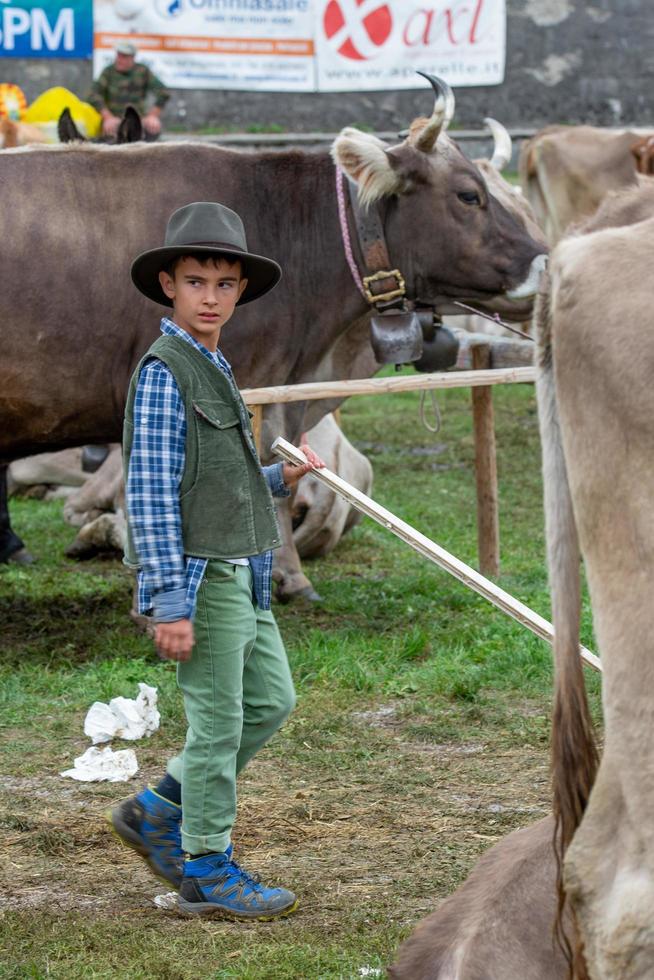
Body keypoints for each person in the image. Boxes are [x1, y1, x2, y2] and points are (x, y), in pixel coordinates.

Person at [110, 201, 324, 920]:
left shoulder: (214, 362)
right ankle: (205, 867)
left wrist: (275, 480)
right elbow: (150, 494)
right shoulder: (166, 372)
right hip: (200, 577)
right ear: (168, 283)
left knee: (271, 701)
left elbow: (213, 478)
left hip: (243, 567)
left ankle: (157, 807)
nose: (211, 296)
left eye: (224, 284)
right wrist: (167, 600)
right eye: (196, 281)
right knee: (218, 725)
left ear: (240, 291)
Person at [87, 42, 169, 139]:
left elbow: (163, 92)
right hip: (114, 120)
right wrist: (108, 117)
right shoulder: (108, 72)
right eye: (118, 56)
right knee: (110, 134)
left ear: (132, 58)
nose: (119, 60)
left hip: (138, 120)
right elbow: (92, 95)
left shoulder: (143, 71)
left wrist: (152, 116)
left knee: (153, 128)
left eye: (124, 57)